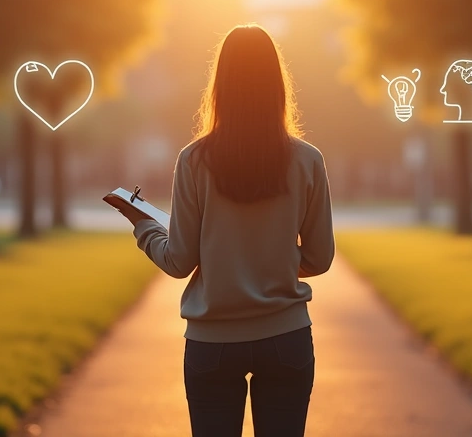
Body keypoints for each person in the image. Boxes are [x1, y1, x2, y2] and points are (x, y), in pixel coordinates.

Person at [112, 23, 335, 437]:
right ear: (277, 85)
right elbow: (320, 258)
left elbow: (179, 261)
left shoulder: (194, 160)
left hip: (212, 345)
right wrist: (272, 265)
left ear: (221, 85)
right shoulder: (308, 161)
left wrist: (143, 225)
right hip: (285, 338)